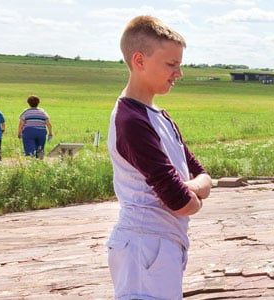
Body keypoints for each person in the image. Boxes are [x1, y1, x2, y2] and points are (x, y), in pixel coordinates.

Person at [104, 15, 214, 299]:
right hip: (145, 246)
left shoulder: (159, 116)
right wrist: (190, 193)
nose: (179, 73)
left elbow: (201, 175)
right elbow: (180, 203)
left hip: (160, 244)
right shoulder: (131, 121)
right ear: (139, 61)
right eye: (171, 64)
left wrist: (187, 189)